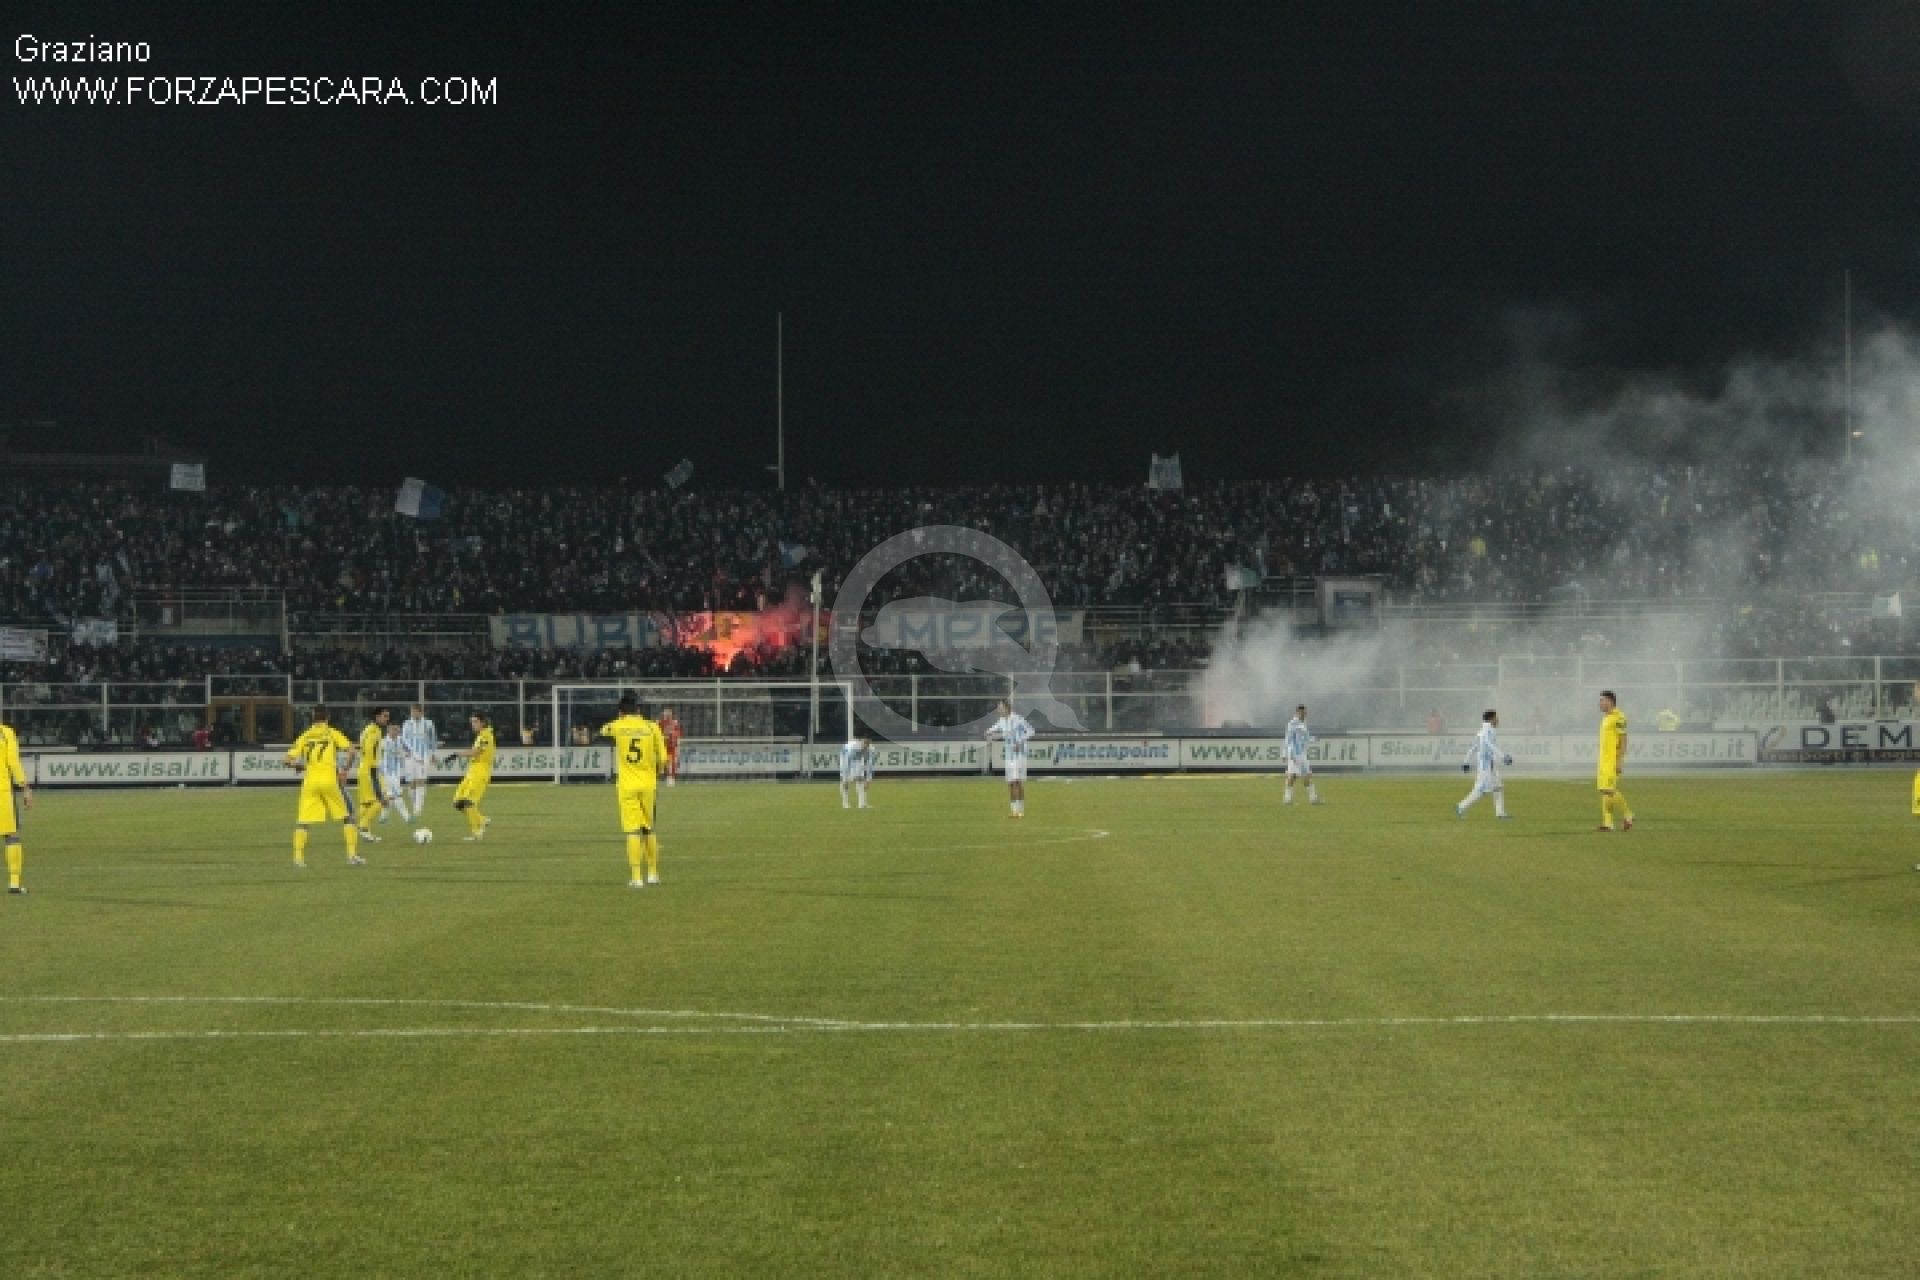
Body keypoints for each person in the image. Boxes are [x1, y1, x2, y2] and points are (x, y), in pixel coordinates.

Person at [597, 695, 667, 887]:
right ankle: (653, 874)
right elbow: (662, 758)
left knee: (632, 831)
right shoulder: (652, 727)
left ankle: (636, 878)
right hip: (648, 785)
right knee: (649, 828)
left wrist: (620, 725)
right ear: (638, 710)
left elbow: (603, 731)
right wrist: (657, 773)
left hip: (627, 785)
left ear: (621, 712)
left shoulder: (617, 726)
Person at [284, 706, 363, 868]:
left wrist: (299, 766)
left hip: (310, 782)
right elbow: (352, 752)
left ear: (313, 717)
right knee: (348, 816)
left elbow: (286, 760)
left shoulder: (305, 735)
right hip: (329, 780)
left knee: (303, 821)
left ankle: (298, 858)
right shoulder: (332, 733)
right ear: (328, 717)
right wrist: (345, 770)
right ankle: (352, 855)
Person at [1456, 709, 1513, 820]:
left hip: (1490, 765)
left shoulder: (1481, 731)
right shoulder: (1488, 730)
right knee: (1480, 790)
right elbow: (1488, 743)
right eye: (1496, 717)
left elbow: (1473, 747)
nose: (1498, 720)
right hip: (1485, 766)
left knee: (1498, 787)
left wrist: (1466, 761)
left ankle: (1500, 813)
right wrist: (1503, 756)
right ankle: (1461, 806)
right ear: (1491, 719)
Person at [1, 717, 33, 893]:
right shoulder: (6, 733)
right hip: (2, 792)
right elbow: (13, 761)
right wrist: (25, 787)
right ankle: (14, 883)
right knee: (11, 836)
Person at [984, 698, 1032, 818]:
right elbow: (992, 729)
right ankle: (1015, 811)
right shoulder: (1001, 721)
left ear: (1007, 708)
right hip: (1009, 755)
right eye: (998, 707)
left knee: (1017, 782)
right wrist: (988, 733)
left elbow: (1031, 731)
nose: (998, 710)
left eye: (1000, 707)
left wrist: (1019, 742)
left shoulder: (1017, 719)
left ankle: (1019, 811)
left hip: (1019, 755)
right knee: (1011, 783)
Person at [452, 712, 494, 842]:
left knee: (468, 802)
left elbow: (476, 752)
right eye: (472, 722)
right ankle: (481, 820)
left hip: (480, 773)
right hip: (472, 771)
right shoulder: (481, 735)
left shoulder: (486, 735)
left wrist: (458, 754)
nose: (473, 724)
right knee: (458, 802)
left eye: (475, 721)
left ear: (482, 722)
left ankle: (477, 832)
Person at [1597, 690, 1634, 832]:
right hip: (1603, 760)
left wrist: (1620, 760)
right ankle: (1608, 823)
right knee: (1604, 791)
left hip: (1612, 761)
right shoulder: (1606, 718)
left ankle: (1628, 814)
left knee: (1609, 789)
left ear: (1610, 701)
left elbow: (1623, 740)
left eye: (1602, 700)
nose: (1600, 703)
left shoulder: (1619, 717)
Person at [355, 707, 392, 840]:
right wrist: (373, 770)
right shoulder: (374, 732)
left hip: (363, 768)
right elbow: (369, 750)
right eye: (384, 716)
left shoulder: (368, 729)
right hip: (370, 770)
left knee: (366, 803)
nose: (387, 719)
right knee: (381, 800)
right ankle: (363, 827)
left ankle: (359, 830)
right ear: (377, 717)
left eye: (388, 716)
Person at [400, 704, 438, 822]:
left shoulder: (428, 723)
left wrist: (433, 754)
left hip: (423, 756)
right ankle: (415, 805)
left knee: (420, 781)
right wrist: (405, 752)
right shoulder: (407, 724)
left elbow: (433, 739)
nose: (413, 714)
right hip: (410, 757)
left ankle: (418, 809)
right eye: (412, 712)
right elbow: (403, 739)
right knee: (411, 783)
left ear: (421, 712)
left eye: (415, 712)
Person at [1283, 705, 1321, 805]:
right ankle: (1312, 799)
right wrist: (1284, 753)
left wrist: (1314, 739)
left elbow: (1306, 738)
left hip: (1301, 753)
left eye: (1305, 713)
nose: (1304, 714)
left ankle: (1288, 799)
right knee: (1302, 775)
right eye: (1302, 713)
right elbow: (1288, 739)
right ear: (1297, 713)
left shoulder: (1303, 724)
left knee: (1296, 776)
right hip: (1295, 754)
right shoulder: (1292, 724)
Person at [379, 721, 410, 823]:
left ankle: (383, 817)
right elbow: (379, 756)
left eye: (397, 729)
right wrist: (402, 754)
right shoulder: (383, 742)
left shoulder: (401, 740)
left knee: (390, 796)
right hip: (386, 772)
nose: (396, 731)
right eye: (393, 729)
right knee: (397, 794)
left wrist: (407, 753)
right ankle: (407, 817)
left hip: (397, 772)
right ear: (388, 730)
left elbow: (409, 749)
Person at [840, 736, 876, 810]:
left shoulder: (871, 750)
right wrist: (844, 779)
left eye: (866, 747)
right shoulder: (853, 748)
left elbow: (870, 766)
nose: (864, 748)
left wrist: (868, 780)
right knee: (846, 782)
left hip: (858, 759)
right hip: (844, 755)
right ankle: (845, 804)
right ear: (861, 744)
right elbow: (846, 764)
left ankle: (862, 804)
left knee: (860, 779)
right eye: (863, 746)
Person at [658, 706, 683, 787]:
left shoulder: (675, 723)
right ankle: (669, 778)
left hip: (673, 746)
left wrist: (678, 745)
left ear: (671, 714)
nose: (667, 714)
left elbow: (678, 735)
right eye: (665, 713)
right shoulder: (660, 723)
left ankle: (672, 778)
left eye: (668, 713)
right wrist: (664, 737)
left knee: (674, 762)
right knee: (667, 762)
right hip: (665, 746)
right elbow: (658, 734)